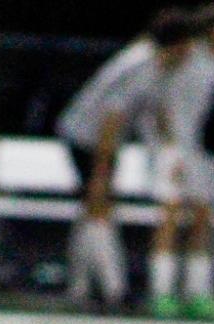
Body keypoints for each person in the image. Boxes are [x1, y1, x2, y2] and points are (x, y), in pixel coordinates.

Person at [56, 13, 186, 308]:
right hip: (88, 138)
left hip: (98, 139)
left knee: (92, 210)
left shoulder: (157, 65)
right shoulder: (143, 63)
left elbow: (156, 114)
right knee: (100, 207)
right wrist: (102, 168)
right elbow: (112, 115)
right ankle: (115, 289)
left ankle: (80, 286)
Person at [148, 5, 214, 316]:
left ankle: (197, 292)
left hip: (202, 153)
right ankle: (161, 292)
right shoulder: (188, 57)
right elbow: (164, 103)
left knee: (202, 219)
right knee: (170, 217)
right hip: (176, 149)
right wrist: (171, 148)